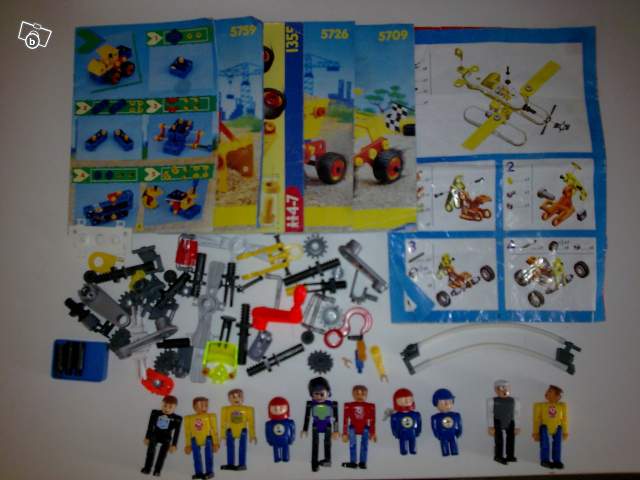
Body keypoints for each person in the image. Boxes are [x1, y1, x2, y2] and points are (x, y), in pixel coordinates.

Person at [302, 377, 339, 472]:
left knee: (327, 443)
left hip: (327, 426)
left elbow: (335, 418)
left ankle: (327, 460)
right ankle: (314, 463)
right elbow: (307, 417)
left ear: (328, 393)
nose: (319, 397)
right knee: (315, 444)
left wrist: (336, 431)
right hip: (316, 426)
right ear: (311, 394)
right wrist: (305, 429)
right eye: (316, 394)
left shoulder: (331, 404)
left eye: (322, 394)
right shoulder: (311, 404)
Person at [141, 395, 182, 476]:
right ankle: (147, 468)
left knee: (162, 454)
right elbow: (150, 426)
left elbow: (176, 432)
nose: (167, 409)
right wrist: (147, 437)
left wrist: (174, 444)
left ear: (175, 407)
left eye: (170, 407)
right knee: (150, 450)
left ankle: (157, 470)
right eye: (165, 406)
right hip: (155, 434)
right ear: (161, 404)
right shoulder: (155, 413)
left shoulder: (177, 418)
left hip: (166, 437)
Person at [533, 385, 568, 469]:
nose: (547, 393)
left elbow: (564, 419)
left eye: (550, 391)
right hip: (545, 427)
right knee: (545, 444)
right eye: (548, 391)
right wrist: (536, 432)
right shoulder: (541, 405)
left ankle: (557, 460)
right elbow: (536, 419)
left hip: (557, 427)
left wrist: (565, 431)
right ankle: (545, 460)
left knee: (557, 445)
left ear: (557, 396)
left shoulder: (562, 406)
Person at [220, 389, 256, 471]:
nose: (236, 399)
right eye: (233, 397)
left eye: (239, 396)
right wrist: (222, 435)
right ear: (229, 399)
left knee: (242, 448)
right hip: (230, 431)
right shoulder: (226, 409)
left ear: (243, 398)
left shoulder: (247, 409)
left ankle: (242, 464)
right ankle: (230, 464)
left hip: (242, 431)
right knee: (229, 448)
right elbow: (223, 423)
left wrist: (252, 435)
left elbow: (251, 423)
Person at [184, 397, 219, 479]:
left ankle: (209, 472)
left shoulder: (210, 416)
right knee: (196, 457)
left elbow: (214, 430)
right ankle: (198, 473)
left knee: (209, 456)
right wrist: (188, 444)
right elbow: (188, 432)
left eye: (206, 405)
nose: (204, 408)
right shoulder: (189, 418)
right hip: (195, 439)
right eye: (201, 405)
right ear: (194, 407)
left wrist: (215, 443)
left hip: (207, 438)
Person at [342, 385, 376, 469]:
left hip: (365, 428)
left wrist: (372, 433)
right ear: (353, 395)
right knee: (352, 444)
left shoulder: (370, 406)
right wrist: (345, 433)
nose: (360, 396)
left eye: (363, 394)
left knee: (364, 445)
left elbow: (372, 420)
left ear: (366, 395)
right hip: (353, 427)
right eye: (357, 394)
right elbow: (345, 420)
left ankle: (362, 462)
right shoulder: (349, 405)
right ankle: (353, 462)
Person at [487, 379, 520, 464]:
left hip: (510, 421)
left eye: (506, 388)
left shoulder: (514, 401)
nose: (504, 390)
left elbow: (517, 413)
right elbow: (489, 413)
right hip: (497, 421)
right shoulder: (492, 401)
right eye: (501, 388)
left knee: (511, 439)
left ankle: (510, 455)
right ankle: (498, 456)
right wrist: (490, 426)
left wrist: (517, 426)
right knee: (499, 440)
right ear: (496, 390)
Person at [430, 388, 463, 456]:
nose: (447, 405)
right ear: (436, 403)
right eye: (443, 403)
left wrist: (458, 433)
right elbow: (434, 428)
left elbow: (459, 425)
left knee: (454, 446)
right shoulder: (435, 417)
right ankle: (445, 452)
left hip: (453, 435)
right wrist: (438, 435)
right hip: (443, 436)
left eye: (450, 402)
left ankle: (454, 451)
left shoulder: (456, 415)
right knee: (444, 447)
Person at [390, 388, 421, 455]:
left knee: (413, 442)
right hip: (402, 433)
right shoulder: (395, 416)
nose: (406, 401)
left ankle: (413, 449)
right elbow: (393, 426)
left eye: (409, 399)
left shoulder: (415, 414)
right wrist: (396, 434)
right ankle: (403, 450)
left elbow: (419, 423)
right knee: (402, 443)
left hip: (412, 432)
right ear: (396, 401)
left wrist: (418, 432)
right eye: (402, 399)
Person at [265, 397, 296, 463]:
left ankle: (285, 457)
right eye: (275, 409)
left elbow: (293, 431)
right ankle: (277, 458)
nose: (277, 410)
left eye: (281, 408)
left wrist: (291, 439)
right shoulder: (269, 423)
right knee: (276, 450)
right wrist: (269, 440)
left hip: (285, 440)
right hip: (275, 440)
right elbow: (267, 433)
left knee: (285, 449)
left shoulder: (289, 422)